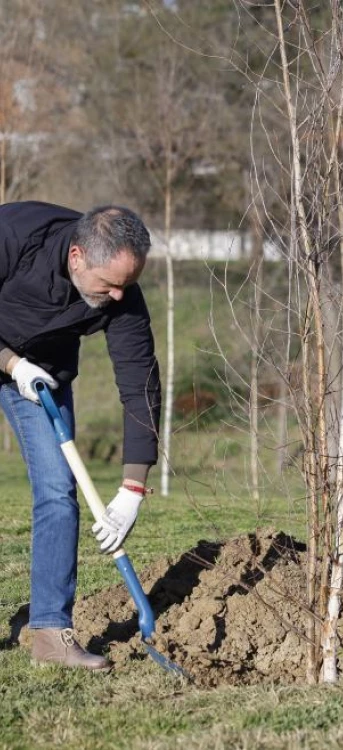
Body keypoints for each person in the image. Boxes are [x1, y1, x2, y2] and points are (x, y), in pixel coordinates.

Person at [0, 201, 161, 671]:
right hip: (14, 360)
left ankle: (50, 635)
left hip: (41, 376)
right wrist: (10, 362)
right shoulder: (13, 235)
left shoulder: (122, 293)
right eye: (108, 283)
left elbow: (139, 384)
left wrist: (133, 487)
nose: (117, 296)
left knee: (57, 491)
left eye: (126, 285)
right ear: (76, 257)